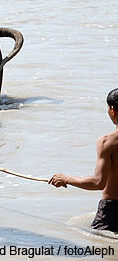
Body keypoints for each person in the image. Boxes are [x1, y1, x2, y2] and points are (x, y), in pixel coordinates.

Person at [49, 88, 118, 232]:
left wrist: (66, 179)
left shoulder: (108, 142)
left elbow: (98, 183)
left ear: (113, 110)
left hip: (113, 211)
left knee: (105, 252)